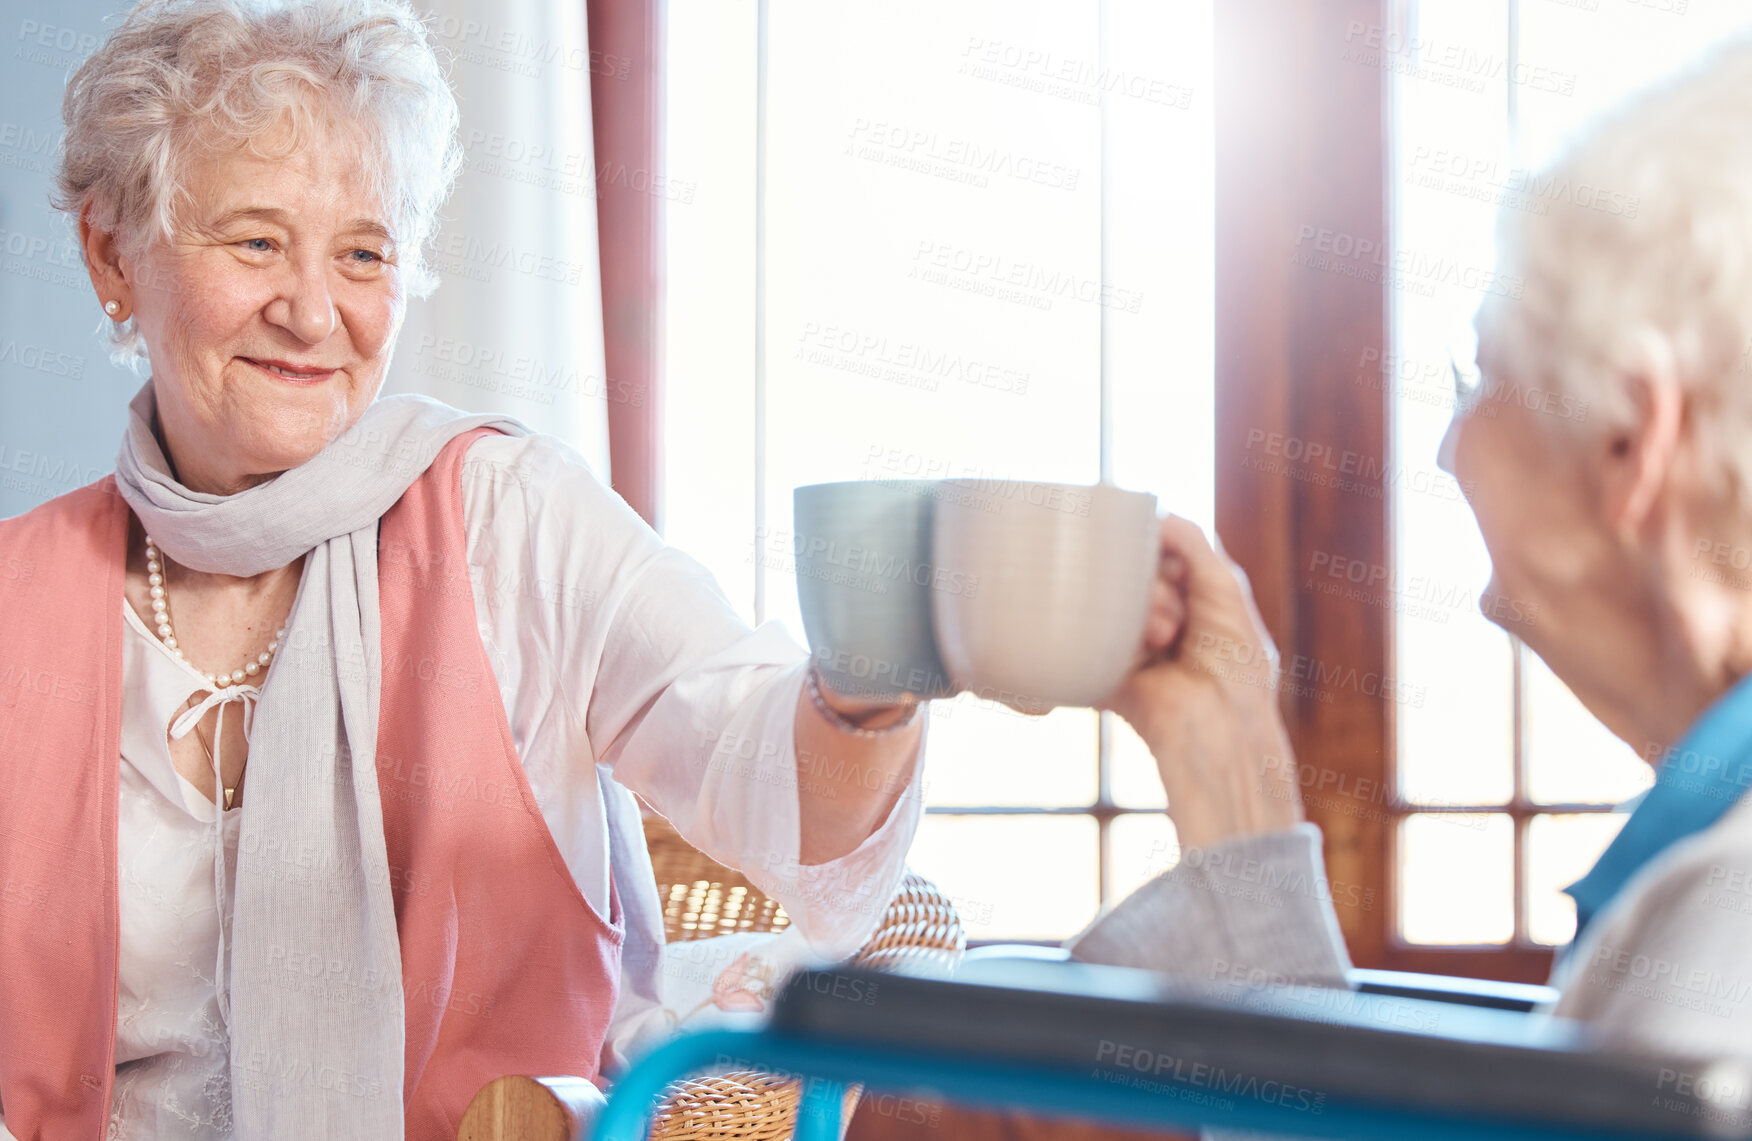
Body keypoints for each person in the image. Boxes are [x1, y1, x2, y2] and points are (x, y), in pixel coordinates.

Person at [0, 2, 933, 1137]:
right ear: (111, 253)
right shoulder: (23, 598)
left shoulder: (512, 518)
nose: (312, 311)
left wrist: (870, 681)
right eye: (254, 241)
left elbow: (767, 775)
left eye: (362, 253)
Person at [1070, 32, 1752, 1105]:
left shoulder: (1724, 933)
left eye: (1477, 374)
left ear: (1633, 434)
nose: (1446, 446)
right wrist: (1226, 755)